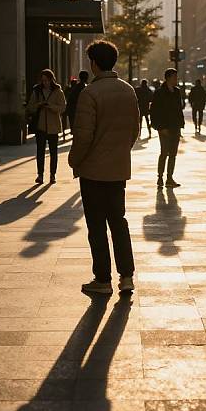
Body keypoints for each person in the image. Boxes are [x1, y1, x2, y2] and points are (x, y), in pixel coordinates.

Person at [68, 40, 140, 295]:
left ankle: (102, 279)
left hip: (93, 171)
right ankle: (127, 276)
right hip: (118, 169)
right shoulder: (128, 90)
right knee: (119, 222)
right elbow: (135, 130)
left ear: (94, 63)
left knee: (96, 225)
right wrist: (120, 152)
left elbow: (83, 136)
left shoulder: (90, 93)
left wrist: (74, 161)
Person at [26, 69, 66, 184]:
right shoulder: (37, 91)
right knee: (40, 152)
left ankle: (52, 175)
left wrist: (51, 106)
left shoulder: (58, 91)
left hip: (53, 126)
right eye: (43, 80)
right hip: (40, 126)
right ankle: (40, 175)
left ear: (51, 80)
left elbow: (63, 107)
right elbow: (30, 107)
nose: (45, 83)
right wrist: (39, 105)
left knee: (53, 152)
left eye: (47, 80)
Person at [150, 69, 185, 188]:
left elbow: (179, 109)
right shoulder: (159, 92)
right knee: (164, 152)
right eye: (175, 77)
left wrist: (181, 124)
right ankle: (160, 177)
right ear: (168, 78)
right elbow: (154, 111)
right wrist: (159, 127)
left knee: (173, 154)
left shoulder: (177, 92)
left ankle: (169, 178)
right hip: (164, 128)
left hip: (175, 127)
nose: (176, 79)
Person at [66, 70, 89, 134]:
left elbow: (70, 100)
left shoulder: (75, 88)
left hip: (74, 112)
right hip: (81, 113)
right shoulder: (87, 88)